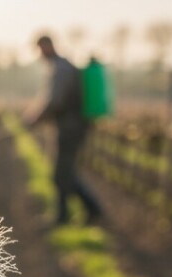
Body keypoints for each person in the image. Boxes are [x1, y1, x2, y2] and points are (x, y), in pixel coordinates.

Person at [28, 35, 102, 225]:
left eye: (40, 49)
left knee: (62, 172)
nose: (39, 54)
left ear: (47, 46)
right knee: (64, 172)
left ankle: (80, 212)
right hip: (73, 126)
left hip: (71, 127)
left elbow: (55, 100)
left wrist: (35, 118)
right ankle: (75, 212)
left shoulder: (60, 69)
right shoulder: (63, 66)